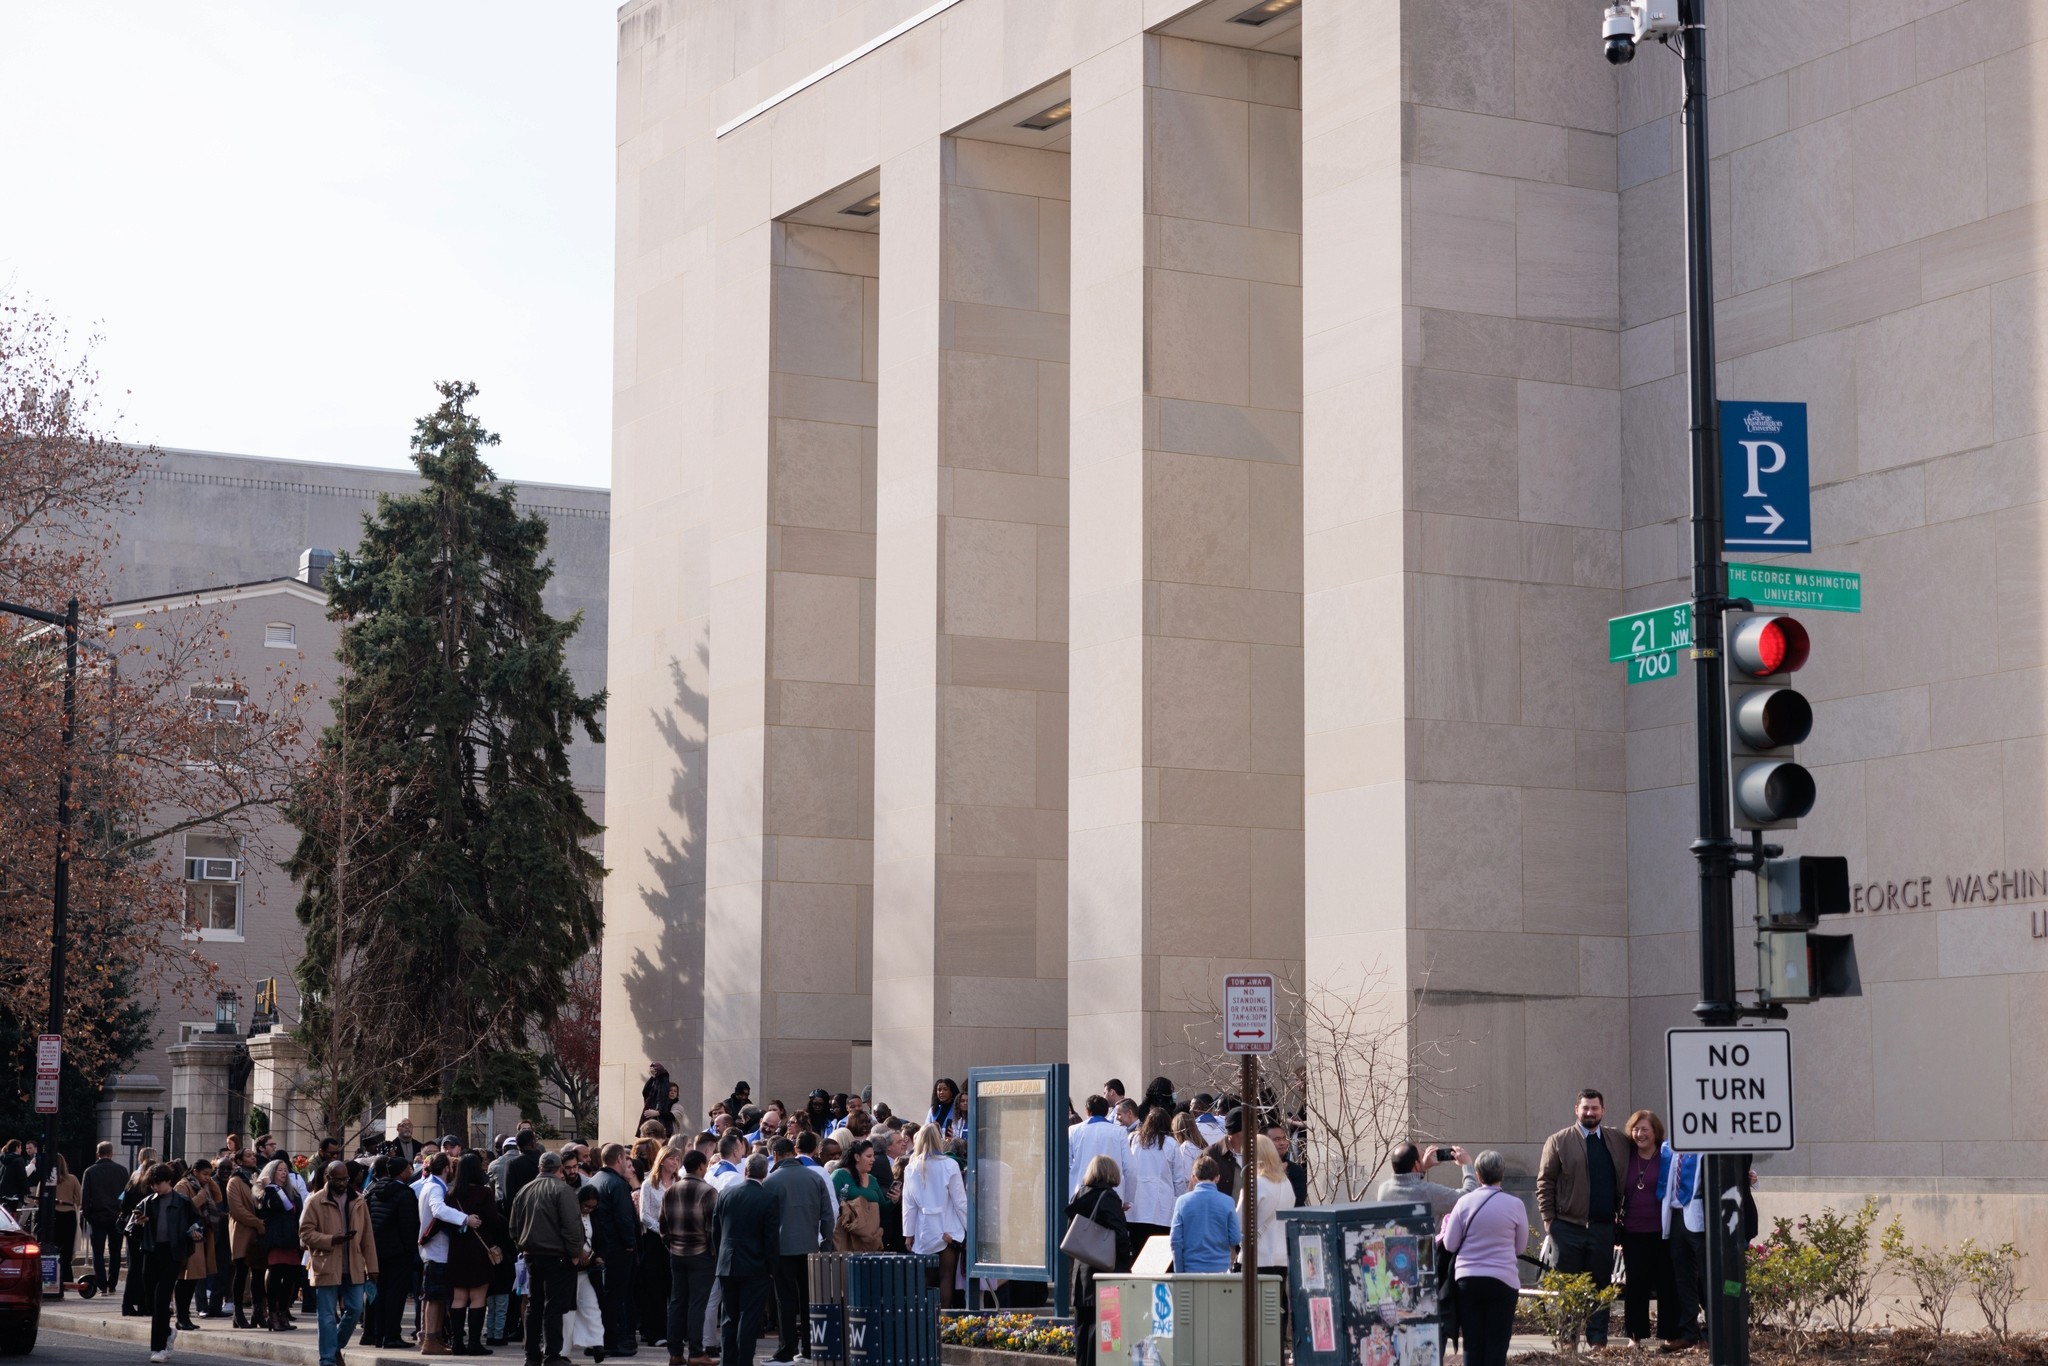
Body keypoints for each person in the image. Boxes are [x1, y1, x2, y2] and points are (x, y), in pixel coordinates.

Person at [1535, 1087, 1633, 1348]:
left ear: (1603, 1110)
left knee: (1601, 1287)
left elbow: (1647, 1150)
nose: (1590, 1112)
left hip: (1603, 1229)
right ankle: (1567, 1342)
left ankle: (1598, 1341)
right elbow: (1545, 1182)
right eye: (1585, 1108)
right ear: (1576, 1110)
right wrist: (1549, 1221)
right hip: (1567, 1228)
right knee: (1568, 1288)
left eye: (1595, 1108)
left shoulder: (1617, 1141)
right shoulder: (1558, 1141)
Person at [1438, 1151, 1529, 1366]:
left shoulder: (1463, 1203)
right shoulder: (1516, 1205)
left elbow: (1450, 1244)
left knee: (1472, 1341)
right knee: (1497, 1342)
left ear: (1477, 1175)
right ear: (1502, 1174)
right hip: (1503, 1281)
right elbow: (1520, 1247)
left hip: (1468, 1281)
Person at [508, 1150, 589, 1366]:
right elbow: (572, 1227)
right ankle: (552, 1354)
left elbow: (514, 1227)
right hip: (558, 1256)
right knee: (553, 1306)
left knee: (534, 1305)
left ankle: (532, 1354)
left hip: (532, 1254)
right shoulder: (563, 1190)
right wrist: (574, 1254)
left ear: (539, 1168)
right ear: (559, 1169)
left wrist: (522, 1245)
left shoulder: (524, 1190)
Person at [300, 1159, 379, 1366]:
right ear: (328, 1178)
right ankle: (327, 1359)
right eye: (339, 1179)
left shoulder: (358, 1201)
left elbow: (367, 1238)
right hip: (326, 1264)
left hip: (353, 1264)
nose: (343, 1183)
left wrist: (372, 1268)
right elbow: (304, 1234)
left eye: (345, 1179)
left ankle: (334, 1347)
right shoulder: (315, 1201)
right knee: (326, 1316)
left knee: (355, 1309)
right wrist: (330, 1240)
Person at [760, 1138, 830, 1362]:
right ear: (794, 1153)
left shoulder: (771, 1181)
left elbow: (765, 1221)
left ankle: (786, 1349)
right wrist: (825, 1245)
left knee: (785, 1300)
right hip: (810, 1247)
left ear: (776, 1155)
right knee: (808, 1299)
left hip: (782, 1250)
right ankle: (809, 1348)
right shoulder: (815, 1178)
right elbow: (828, 1216)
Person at [709, 1154, 780, 1366]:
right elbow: (771, 1238)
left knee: (729, 1317)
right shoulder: (768, 1198)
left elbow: (716, 1229)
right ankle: (744, 1361)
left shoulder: (726, 1194)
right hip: (756, 1266)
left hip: (728, 1262)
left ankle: (727, 1361)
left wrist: (720, 1255)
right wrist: (772, 1267)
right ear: (765, 1173)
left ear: (745, 1171)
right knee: (749, 1317)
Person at [133, 1162, 206, 1363]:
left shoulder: (182, 1202)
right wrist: (138, 1225)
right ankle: (166, 1332)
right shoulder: (147, 1202)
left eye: (159, 1183)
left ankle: (159, 1348)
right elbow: (128, 1226)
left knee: (161, 1299)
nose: (156, 1187)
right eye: (152, 1184)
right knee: (150, 1300)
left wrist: (195, 1232)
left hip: (173, 1253)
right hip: (151, 1252)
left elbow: (197, 1221)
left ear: (169, 1181)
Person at [1617, 1110, 1676, 1348]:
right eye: (1635, 1129)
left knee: (1667, 1283)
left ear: (1655, 1132)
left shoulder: (1667, 1156)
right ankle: (1635, 1336)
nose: (1639, 1134)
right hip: (1633, 1232)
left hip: (1663, 1231)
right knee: (1636, 1284)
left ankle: (1670, 1334)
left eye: (1644, 1129)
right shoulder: (1626, 1157)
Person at [1066, 1155, 1130, 1366]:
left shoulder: (1078, 1196)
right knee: (1106, 1333)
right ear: (1110, 1173)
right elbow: (1120, 1235)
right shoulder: (1108, 1197)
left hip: (1080, 1275)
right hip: (1103, 1275)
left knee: (1083, 1331)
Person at [419, 1150, 485, 1355]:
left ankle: (436, 1337)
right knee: (434, 1298)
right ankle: (431, 1339)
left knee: (438, 1297)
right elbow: (438, 1210)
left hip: (436, 1250)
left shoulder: (429, 1185)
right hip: (436, 1251)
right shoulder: (435, 1189)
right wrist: (465, 1218)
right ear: (446, 1168)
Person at [899, 1124, 967, 1308]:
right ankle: (944, 1319)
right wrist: (969, 1227)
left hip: (924, 1228)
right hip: (948, 1226)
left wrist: (908, 1233)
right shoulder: (950, 1165)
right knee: (946, 1276)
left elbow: (909, 1205)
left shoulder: (911, 1167)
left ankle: (925, 1319)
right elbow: (960, 1201)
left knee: (927, 1278)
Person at [449, 1151, 509, 1356]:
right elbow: (493, 1220)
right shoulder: (484, 1193)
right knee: (477, 1297)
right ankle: (474, 1343)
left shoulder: (452, 1194)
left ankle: (457, 1342)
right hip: (479, 1250)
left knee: (458, 1297)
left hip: (457, 1249)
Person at [660, 1149, 716, 1366]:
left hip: (677, 1252)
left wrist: (671, 1245)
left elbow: (662, 1225)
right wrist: (713, 1253)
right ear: (702, 1166)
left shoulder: (671, 1190)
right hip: (701, 1254)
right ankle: (695, 1352)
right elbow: (713, 1229)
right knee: (697, 1304)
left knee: (677, 1302)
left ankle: (675, 1352)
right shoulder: (708, 1191)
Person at [587, 1144, 642, 1358]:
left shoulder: (595, 1180)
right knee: (614, 1298)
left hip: (600, 1247)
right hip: (617, 1248)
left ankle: (599, 1340)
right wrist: (630, 1243)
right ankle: (611, 1342)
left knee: (602, 1298)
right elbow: (624, 1217)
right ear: (619, 1158)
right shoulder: (617, 1184)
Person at [365, 1155, 421, 1350]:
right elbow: (408, 1225)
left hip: (377, 1250)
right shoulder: (405, 1194)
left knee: (379, 1294)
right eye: (408, 1168)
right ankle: (392, 1336)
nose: (411, 1171)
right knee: (395, 1295)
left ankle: (377, 1334)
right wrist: (411, 1252)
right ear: (401, 1171)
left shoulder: (374, 1191)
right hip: (398, 1252)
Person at [1121, 1107, 1190, 1259]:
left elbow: (1127, 1171)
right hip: (1162, 1210)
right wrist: (1178, 1202)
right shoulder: (1171, 1144)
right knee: (1159, 1258)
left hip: (1136, 1209)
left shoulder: (1134, 1140)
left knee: (1137, 1255)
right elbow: (1179, 1179)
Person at [637, 1148, 679, 1352]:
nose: (675, 1162)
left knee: (676, 1288)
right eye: (672, 1158)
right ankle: (656, 1332)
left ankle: (676, 1332)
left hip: (678, 1241)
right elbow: (644, 1215)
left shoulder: (679, 1184)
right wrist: (662, 1231)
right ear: (662, 1161)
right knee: (655, 1288)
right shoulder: (648, 1184)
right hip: (655, 1242)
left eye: (678, 1159)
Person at [1239, 1135, 1296, 1282]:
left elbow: (1238, 1222)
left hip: (1257, 1255)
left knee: (1252, 1303)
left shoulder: (1254, 1184)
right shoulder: (1286, 1183)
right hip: (1283, 1255)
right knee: (1273, 1303)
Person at [257, 1159, 305, 1332]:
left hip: (291, 1239)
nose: (284, 1173)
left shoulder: (293, 1193)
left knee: (292, 1277)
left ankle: (284, 1312)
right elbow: (280, 1206)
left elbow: (297, 1211)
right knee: (276, 1277)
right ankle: (273, 1315)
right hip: (276, 1239)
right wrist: (271, 1188)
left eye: (285, 1170)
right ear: (271, 1173)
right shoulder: (267, 1193)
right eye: (279, 1170)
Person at [1167, 1156, 1237, 1274]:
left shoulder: (1182, 1202)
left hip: (1191, 1270)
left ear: (1194, 1178)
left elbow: (1175, 1241)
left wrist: (1179, 1271)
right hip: (1221, 1270)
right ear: (1217, 1178)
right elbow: (1235, 1238)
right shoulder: (1228, 1201)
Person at [174, 1160, 222, 1331]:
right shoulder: (183, 1185)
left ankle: (185, 1317)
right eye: (205, 1174)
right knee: (186, 1280)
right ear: (194, 1172)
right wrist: (200, 1198)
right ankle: (181, 1316)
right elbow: (181, 1209)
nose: (208, 1178)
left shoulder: (204, 1185)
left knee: (194, 1280)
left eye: (210, 1174)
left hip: (202, 1234)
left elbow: (218, 1197)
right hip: (189, 1236)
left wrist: (210, 1181)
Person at [1375, 1141, 1476, 1220]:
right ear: (1415, 1165)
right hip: (1427, 1246)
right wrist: (1467, 1165)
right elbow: (1467, 1198)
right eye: (1422, 1157)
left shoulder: (1383, 1190)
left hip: (1397, 1246)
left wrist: (1421, 1168)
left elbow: (1409, 1186)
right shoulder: (1429, 1192)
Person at [225, 1146, 267, 1329]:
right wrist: (257, 1222)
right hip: (243, 1230)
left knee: (258, 1273)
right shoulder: (234, 1181)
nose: (253, 1158)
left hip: (259, 1233)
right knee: (241, 1272)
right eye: (248, 1156)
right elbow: (237, 1209)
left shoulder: (259, 1178)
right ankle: (238, 1312)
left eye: (253, 1155)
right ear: (240, 1161)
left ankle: (258, 1312)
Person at [82, 1140, 129, 1293]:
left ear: (98, 1154)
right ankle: (112, 1284)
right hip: (116, 1216)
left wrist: (88, 1214)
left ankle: (102, 1284)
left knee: (98, 1252)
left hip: (97, 1216)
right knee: (115, 1252)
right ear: (111, 1153)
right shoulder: (122, 1171)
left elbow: (85, 1197)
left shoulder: (90, 1171)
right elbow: (126, 1195)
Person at [122, 1149, 162, 1316]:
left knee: (134, 1269)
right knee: (147, 1271)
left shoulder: (132, 1182)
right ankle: (144, 1304)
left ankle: (128, 1304)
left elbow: (123, 1206)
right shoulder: (151, 1189)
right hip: (147, 1231)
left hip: (133, 1231)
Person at [829, 1139, 888, 1253]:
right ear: (857, 1157)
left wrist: (894, 1200)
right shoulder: (840, 1175)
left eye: (873, 1156)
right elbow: (830, 1203)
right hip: (846, 1239)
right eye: (869, 1156)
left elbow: (883, 1207)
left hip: (871, 1241)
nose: (873, 1160)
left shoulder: (872, 1179)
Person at [1068, 1096, 1126, 1199]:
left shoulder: (1073, 1130)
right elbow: (1130, 1168)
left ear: (1087, 1111)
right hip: (1112, 1194)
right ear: (1106, 1111)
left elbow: (1067, 1165)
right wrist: (1128, 1198)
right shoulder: (1119, 1132)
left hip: (1080, 1194)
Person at [50, 1153, 80, 1287]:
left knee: (52, 1248)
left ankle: (52, 1278)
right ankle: (67, 1278)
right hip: (69, 1215)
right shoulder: (72, 1179)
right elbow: (79, 1199)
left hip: (52, 1216)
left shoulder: (47, 1179)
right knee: (66, 1250)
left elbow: (39, 1197)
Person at [1265, 1121, 1309, 1207]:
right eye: (1276, 1139)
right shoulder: (1254, 1169)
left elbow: (1297, 1201)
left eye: (1284, 1138)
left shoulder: (1295, 1170)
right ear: (1264, 1142)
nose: (1282, 1143)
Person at [1202, 1109, 1245, 1198]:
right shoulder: (1212, 1154)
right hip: (1222, 1210)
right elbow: (1202, 1188)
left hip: (1252, 1211)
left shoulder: (1257, 1151)